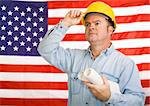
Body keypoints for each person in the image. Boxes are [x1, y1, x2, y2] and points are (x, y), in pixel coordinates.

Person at [38, 1, 145, 106]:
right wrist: (65, 23)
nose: (91, 27)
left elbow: (138, 101)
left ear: (110, 30)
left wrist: (109, 97)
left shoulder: (125, 64)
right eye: (88, 24)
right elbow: (45, 49)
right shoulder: (73, 58)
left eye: (97, 23)